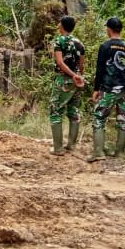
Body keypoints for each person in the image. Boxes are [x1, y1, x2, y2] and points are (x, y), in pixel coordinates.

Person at [89, 16, 125, 162]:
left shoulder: (106, 46)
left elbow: (100, 69)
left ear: (109, 29)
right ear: (120, 30)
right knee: (123, 120)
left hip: (109, 89)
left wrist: (96, 89)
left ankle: (98, 153)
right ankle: (119, 153)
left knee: (99, 118)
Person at [48, 15, 86, 155]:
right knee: (74, 111)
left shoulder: (60, 41)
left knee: (55, 111)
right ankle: (71, 145)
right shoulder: (80, 43)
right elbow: (81, 65)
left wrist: (71, 75)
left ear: (62, 26)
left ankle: (58, 148)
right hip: (77, 81)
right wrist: (78, 76)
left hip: (63, 80)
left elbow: (60, 62)